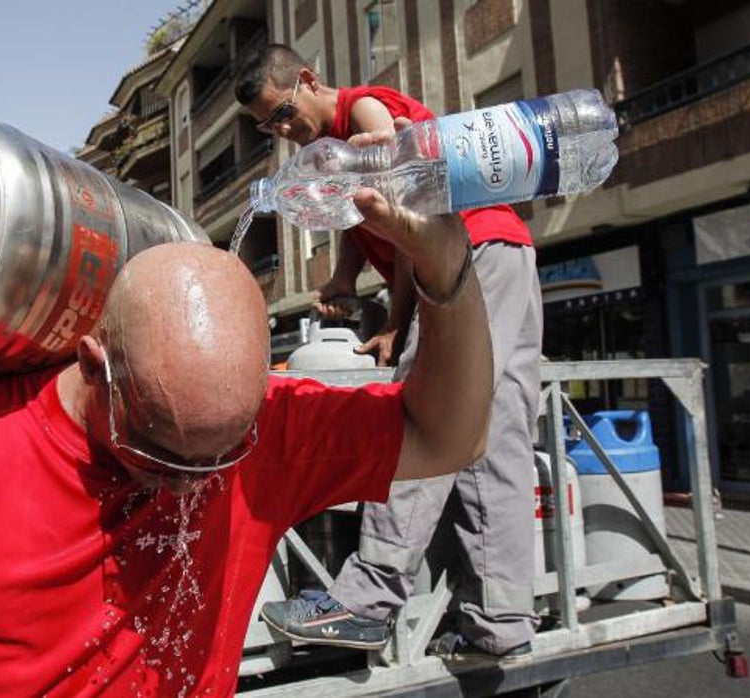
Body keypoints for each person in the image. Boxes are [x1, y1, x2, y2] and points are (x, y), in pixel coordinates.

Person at [0, 168, 494, 696]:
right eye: (162, 451)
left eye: (217, 461)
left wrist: (444, 267)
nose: (189, 485)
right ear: (96, 362)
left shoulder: (265, 431)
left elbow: (449, 436)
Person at [235, 44, 543, 659]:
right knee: (495, 437)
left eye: (285, 114)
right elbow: (362, 222)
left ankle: (364, 603)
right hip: (505, 250)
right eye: (268, 127)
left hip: (467, 255)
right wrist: (346, 279)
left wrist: (398, 325)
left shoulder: (367, 111)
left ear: (309, 79)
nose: (283, 132)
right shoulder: (334, 152)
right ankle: (501, 623)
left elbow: (408, 225)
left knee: (423, 415)